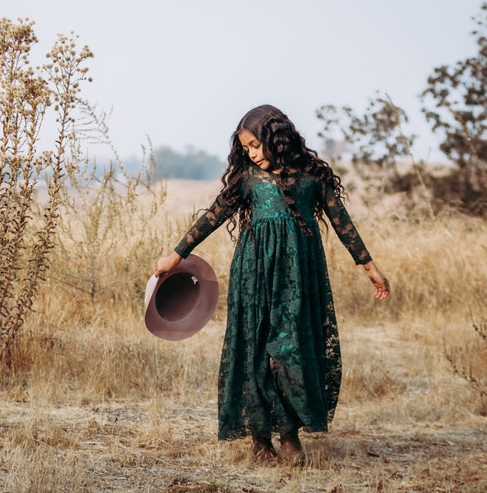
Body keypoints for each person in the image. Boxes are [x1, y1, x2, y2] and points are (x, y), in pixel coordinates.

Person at [154, 104, 390, 465]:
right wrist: (176, 254)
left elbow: (342, 222)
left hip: (298, 279)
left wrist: (369, 266)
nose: (250, 153)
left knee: (290, 348)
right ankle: (260, 440)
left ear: (275, 138)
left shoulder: (312, 178)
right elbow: (215, 214)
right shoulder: (249, 179)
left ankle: (290, 436)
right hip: (254, 275)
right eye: (245, 148)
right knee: (256, 349)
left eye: (255, 145)